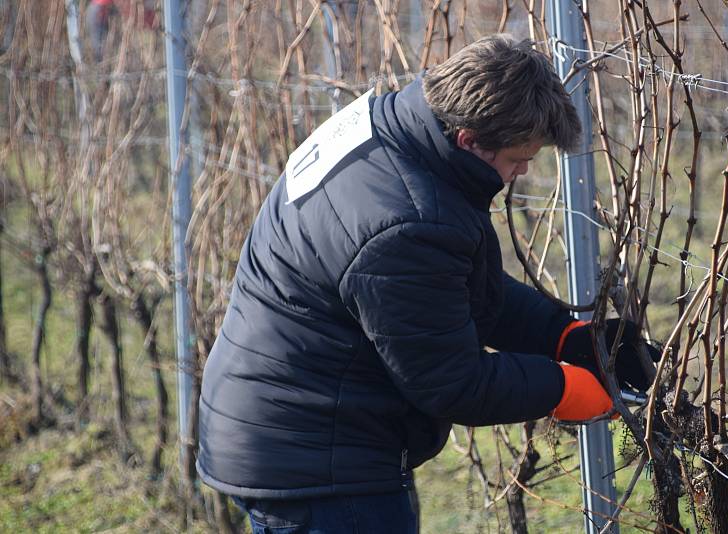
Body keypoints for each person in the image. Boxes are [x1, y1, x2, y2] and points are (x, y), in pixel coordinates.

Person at [197, 34, 656, 534]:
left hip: (290, 422)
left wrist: (562, 336)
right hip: (318, 466)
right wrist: (563, 388)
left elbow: (442, 293)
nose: (524, 170)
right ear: (468, 141)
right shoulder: (406, 222)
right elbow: (452, 380)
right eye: (516, 158)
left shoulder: (388, 130)